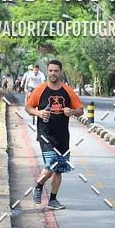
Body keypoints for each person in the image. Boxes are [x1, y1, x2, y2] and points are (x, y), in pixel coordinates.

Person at [25, 59, 84, 210]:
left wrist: (72, 112)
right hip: (46, 134)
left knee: (59, 169)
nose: (53, 73)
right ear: (48, 72)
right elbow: (28, 107)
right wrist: (39, 112)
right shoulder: (40, 89)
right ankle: (38, 187)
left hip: (62, 136)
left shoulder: (67, 91)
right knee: (52, 164)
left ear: (60, 72)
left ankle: (53, 199)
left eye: (56, 71)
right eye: (50, 70)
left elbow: (80, 110)